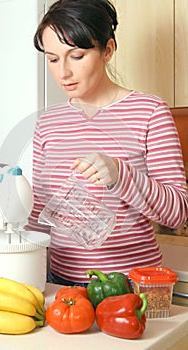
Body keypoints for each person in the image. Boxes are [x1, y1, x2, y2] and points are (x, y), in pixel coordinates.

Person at [26, 0, 188, 286]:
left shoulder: (149, 112)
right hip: (59, 283)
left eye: (76, 56)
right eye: (53, 59)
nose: (63, 72)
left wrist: (119, 173)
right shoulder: (48, 123)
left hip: (129, 285)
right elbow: (39, 214)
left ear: (108, 50)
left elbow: (176, 212)